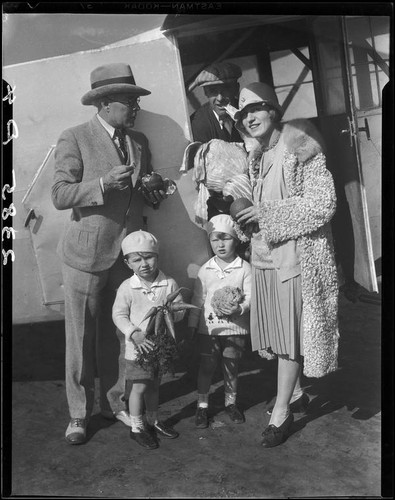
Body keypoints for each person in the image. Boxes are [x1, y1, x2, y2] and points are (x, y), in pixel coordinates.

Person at [52, 63, 167, 445]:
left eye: (136, 99)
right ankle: (79, 415)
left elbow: (143, 197)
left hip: (127, 257)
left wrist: (154, 190)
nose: (135, 106)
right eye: (128, 99)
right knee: (81, 338)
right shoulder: (75, 137)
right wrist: (101, 183)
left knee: (124, 335)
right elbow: (59, 195)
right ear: (103, 103)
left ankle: (114, 402)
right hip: (85, 255)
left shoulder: (139, 142)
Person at [234, 82, 339, 448]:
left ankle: (282, 412)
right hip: (265, 259)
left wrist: (266, 214)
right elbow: (260, 208)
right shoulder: (257, 155)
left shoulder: (299, 144)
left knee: (290, 337)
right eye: (244, 114)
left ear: (273, 111)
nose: (249, 118)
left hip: (295, 259)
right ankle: (294, 393)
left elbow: (323, 203)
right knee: (279, 337)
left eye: (256, 110)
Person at [111, 230, 184, 450]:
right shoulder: (127, 287)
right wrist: (134, 332)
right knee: (139, 388)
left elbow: (179, 310)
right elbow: (119, 315)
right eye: (137, 259)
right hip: (138, 349)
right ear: (128, 262)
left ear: (157, 257)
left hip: (160, 348)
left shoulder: (169, 283)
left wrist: (173, 312)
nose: (144, 264)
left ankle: (154, 420)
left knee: (154, 386)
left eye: (149, 257)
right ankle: (137, 427)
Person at [188, 214, 252, 428]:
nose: (220, 244)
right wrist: (192, 324)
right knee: (206, 366)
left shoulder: (244, 268)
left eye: (226, 238)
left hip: (235, 329)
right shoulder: (205, 270)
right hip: (210, 329)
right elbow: (198, 299)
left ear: (236, 239)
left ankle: (231, 403)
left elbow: (252, 297)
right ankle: (202, 405)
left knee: (231, 367)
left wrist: (240, 307)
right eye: (215, 239)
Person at [189, 62, 244, 220]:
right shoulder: (198, 123)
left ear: (236, 88)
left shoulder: (247, 116)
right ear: (205, 92)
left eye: (226, 89)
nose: (220, 99)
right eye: (213, 92)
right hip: (218, 207)